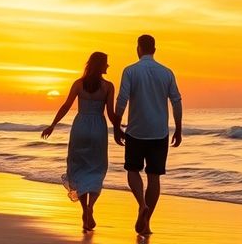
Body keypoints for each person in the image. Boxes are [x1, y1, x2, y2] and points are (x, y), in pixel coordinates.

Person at [42, 51, 119, 233]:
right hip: (98, 129)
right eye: (106, 63)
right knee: (97, 169)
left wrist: (53, 125)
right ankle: (91, 206)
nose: (108, 66)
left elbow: (66, 106)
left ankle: (85, 210)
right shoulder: (108, 86)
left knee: (78, 168)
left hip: (80, 127)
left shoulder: (78, 84)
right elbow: (110, 113)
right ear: (100, 66)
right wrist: (120, 127)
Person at [114, 34, 182, 236]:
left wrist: (117, 126)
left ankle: (142, 204)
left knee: (132, 170)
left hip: (136, 132)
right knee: (154, 177)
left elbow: (122, 99)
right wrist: (178, 128)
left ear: (138, 48)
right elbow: (176, 101)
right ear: (155, 49)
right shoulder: (166, 72)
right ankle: (147, 221)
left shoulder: (130, 71)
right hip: (159, 133)